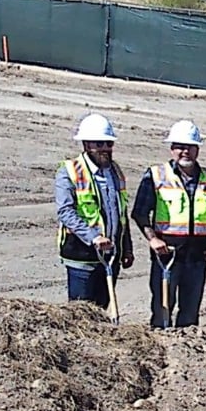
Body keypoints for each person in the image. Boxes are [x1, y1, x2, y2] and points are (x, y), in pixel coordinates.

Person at [131, 120, 206, 329]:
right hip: (167, 254)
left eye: (190, 146)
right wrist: (153, 239)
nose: (185, 152)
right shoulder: (156, 175)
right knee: (162, 309)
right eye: (180, 147)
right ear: (172, 148)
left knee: (190, 313)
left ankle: (187, 357)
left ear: (197, 148)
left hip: (198, 256)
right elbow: (140, 213)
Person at [55, 112, 134, 308]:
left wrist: (126, 248)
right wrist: (93, 237)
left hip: (110, 257)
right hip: (82, 257)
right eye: (99, 144)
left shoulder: (115, 171)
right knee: (81, 315)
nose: (105, 148)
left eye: (109, 143)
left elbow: (121, 214)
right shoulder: (70, 171)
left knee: (103, 310)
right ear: (86, 145)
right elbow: (66, 212)